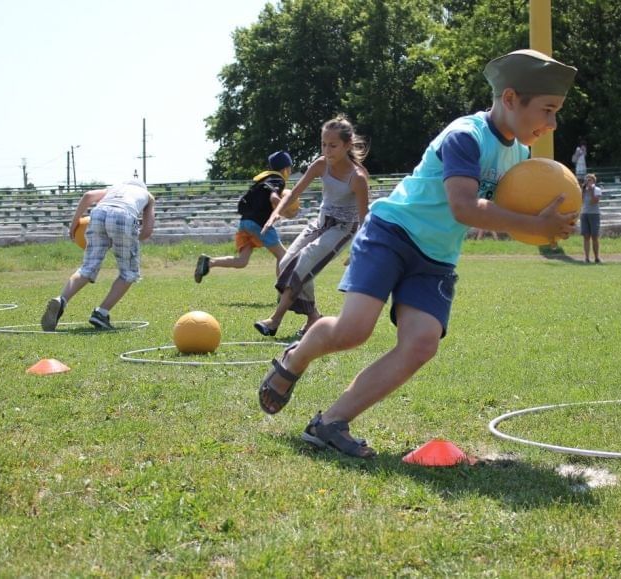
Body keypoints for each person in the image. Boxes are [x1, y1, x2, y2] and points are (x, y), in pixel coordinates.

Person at [255, 49, 577, 458]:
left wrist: (550, 219)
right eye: (548, 110)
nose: (552, 123)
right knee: (354, 331)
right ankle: (294, 358)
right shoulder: (466, 136)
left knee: (421, 343)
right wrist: (535, 225)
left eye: (556, 112)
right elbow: (463, 206)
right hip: (393, 234)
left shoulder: (522, 156)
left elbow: (509, 212)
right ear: (511, 99)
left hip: (437, 257)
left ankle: (330, 423)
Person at [252, 117, 370, 338]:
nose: (327, 150)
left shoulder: (358, 178)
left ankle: (274, 320)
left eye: (333, 145)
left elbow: (365, 220)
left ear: (347, 145)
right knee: (286, 261)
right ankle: (314, 317)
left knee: (303, 261)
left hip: (342, 229)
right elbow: (294, 193)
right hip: (320, 222)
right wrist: (273, 216)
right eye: (323, 144)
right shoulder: (319, 164)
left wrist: (357, 250)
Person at [40, 179, 155, 331]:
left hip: (98, 213)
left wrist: (73, 225)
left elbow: (88, 196)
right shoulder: (147, 196)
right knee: (129, 273)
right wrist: (129, 238)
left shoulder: (115, 187)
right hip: (124, 214)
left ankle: (61, 300)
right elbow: (146, 232)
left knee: (87, 268)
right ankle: (101, 313)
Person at [194, 151, 293, 283]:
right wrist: (282, 211)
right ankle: (282, 293)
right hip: (259, 224)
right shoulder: (278, 179)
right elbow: (274, 197)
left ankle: (209, 262)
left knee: (242, 261)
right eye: (290, 168)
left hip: (245, 222)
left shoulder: (262, 180)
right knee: (283, 256)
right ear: (286, 169)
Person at [580, 173, 602, 263]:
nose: (587, 181)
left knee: (594, 236)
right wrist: (583, 191)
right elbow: (580, 201)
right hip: (584, 213)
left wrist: (592, 191)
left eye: (589, 180)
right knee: (586, 236)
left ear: (593, 181)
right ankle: (587, 258)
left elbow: (594, 201)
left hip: (594, 214)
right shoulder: (584, 190)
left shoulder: (597, 189)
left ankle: (596, 257)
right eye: (586, 180)